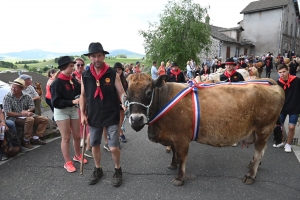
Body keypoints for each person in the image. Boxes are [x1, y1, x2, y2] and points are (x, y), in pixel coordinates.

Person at [80, 42, 126, 187]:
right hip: (93, 115)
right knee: (94, 144)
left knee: (113, 147)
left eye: (99, 56)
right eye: (93, 56)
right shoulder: (85, 75)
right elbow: (82, 95)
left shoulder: (112, 73)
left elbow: (121, 92)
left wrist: (124, 102)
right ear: (90, 58)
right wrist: (82, 114)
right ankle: (98, 169)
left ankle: (118, 169)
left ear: (104, 56)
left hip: (111, 114)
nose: (96, 59)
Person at [51, 56, 87, 173]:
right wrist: (72, 101)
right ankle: (67, 162)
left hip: (72, 110)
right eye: (71, 66)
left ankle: (77, 155)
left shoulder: (71, 79)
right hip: (61, 111)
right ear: (64, 67)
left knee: (77, 136)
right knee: (66, 138)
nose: (73, 68)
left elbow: (78, 93)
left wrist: (82, 87)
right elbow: (55, 102)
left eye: (73, 66)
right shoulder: (57, 83)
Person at [3, 78, 48, 149]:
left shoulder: (26, 96)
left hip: (25, 116)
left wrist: (28, 111)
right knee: (30, 119)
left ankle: (36, 137)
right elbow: (8, 113)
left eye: (15, 87)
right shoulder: (7, 97)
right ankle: (26, 140)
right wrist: (21, 114)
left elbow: (32, 107)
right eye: (12, 87)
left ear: (21, 88)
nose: (13, 89)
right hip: (14, 118)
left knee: (44, 119)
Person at [274, 64, 300, 153]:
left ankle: (288, 144)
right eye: (280, 72)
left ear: (288, 70)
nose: (282, 74)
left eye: (284, 71)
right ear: (277, 73)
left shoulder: (296, 80)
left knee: (291, 127)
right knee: (279, 126)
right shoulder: (277, 83)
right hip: (282, 107)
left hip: (294, 106)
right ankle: (281, 141)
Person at [72, 57, 93, 158]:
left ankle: (89, 138)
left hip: (89, 100)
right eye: (78, 65)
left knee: (88, 119)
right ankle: (82, 138)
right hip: (78, 100)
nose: (80, 66)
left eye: (82, 65)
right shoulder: (72, 77)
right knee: (81, 119)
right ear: (75, 66)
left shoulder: (87, 74)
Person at [113, 62, 128, 143]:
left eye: (119, 69)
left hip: (122, 102)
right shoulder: (111, 79)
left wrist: (126, 102)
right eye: (116, 69)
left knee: (121, 119)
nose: (118, 71)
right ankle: (117, 136)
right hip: (113, 102)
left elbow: (126, 92)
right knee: (115, 120)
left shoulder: (124, 80)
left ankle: (120, 133)